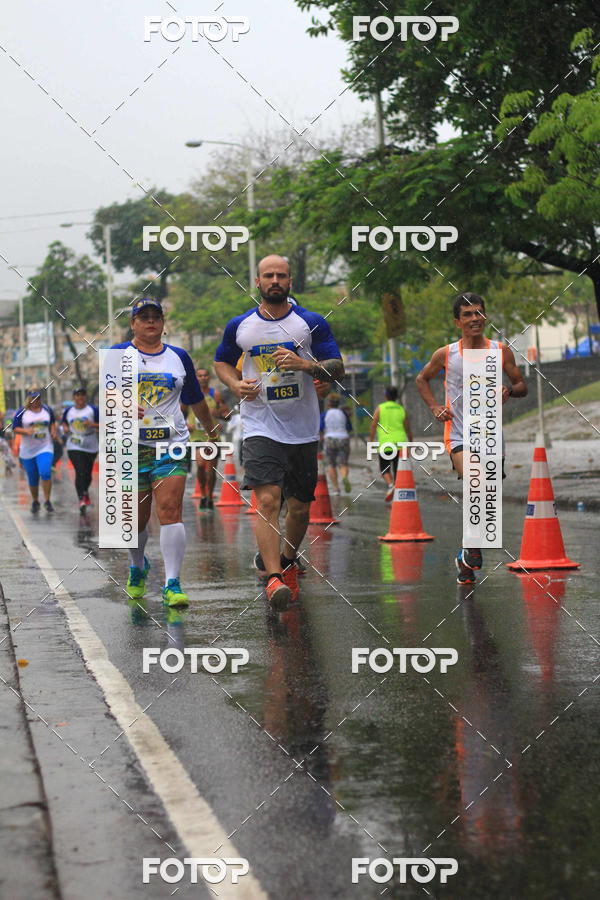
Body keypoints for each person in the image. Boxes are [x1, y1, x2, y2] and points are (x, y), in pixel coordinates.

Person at [214, 254, 344, 609]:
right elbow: (221, 361)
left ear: (290, 281)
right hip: (260, 424)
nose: (275, 280)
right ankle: (273, 578)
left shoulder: (310, 323)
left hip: (302, 428)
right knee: (267, 501)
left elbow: (337, 368)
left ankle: (286, 558)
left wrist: (305, 364)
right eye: (268, 275)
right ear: (257, 282)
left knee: (300, 508)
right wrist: (234, 383)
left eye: (281, 276)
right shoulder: (240, 326)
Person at [112, 298, 219, 607]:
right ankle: (137, 566)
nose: (150, 322)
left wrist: (211, 430)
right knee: (135, 519)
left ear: (162, 322)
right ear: (132, 323)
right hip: (131, 446)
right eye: (142, 317)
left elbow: (196, 398)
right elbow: (107, 391)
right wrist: (123, 403)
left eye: (155, 317)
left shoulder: (179, 357)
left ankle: (172, 582)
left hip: (170, 444)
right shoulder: (119, 354)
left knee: (170, 510)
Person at [416, 292, 527, 584]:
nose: (475, 318)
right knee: (475, 481)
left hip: (491, 436)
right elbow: (421, 379)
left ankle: (466, 558)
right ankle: (472, 547)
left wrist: (509, 391)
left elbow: (521, 385)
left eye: (479, 313)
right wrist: (435, 407)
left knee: (486, 499)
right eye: (468, 314)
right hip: (459, 433)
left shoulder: (501, 351)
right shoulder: (446, 354)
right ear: (458, 321)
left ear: (485, 317)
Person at [182, 366, 229, 509]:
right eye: (200, 376)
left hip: (212, 437)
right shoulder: (190, 395)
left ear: (209, 378)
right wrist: (185, 425)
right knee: (201, 466)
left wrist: (219, 415)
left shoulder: (215, 395)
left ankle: (209, 497)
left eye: (205, 375)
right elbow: (178, 415)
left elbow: (228, 415)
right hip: (196, 437)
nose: (203, 378)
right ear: (195, 378)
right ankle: (202, 493)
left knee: (211, 469)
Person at [12, 390, 57, 513]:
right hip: (28, 450)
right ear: (28, 399)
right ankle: (35, 501)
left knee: (45, 472)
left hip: (45, 447)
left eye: (37, 399)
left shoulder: (47, 409)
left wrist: (53, 431)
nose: (35, 401)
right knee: (33, 478)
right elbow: (15, 428)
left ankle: (47, 501)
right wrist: (26, 432)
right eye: (32, 399)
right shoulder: (21, 412)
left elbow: (52, 422)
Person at [369, 386, 414, 502]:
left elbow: (373, 425)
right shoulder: (401, 409)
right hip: (400, 443)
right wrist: (411, 441)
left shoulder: (380, 408)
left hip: (385, 443)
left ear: (385, 395)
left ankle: (390, 485)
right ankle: (398, 490)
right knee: (397, 469)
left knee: (384, 468)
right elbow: (407, 428)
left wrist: (371, 440)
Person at [62, 388, 99, 513]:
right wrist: (66, 428)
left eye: (82, 395)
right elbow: (64, 423)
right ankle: (81, 499)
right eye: (77, 395)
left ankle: (85, 492)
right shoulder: (69, 411)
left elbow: (104, 424)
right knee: (80, 471)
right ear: (74, 397)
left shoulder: (92, 410)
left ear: (86, 397)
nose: (80, 397)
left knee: (87, 474)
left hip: (90, 444)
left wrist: (92, 424)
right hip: (74, 444)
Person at [320, 393, 352, 494]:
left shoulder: (325, 414)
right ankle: (344, 477)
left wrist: (322, 438)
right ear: (338, 403)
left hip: (329, 439)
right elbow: (349, 428)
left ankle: (336, 488)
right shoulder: (343, 413)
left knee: (331, 464)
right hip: (343, 438)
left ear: (328, 403)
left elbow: (320, 429)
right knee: (343, 463)